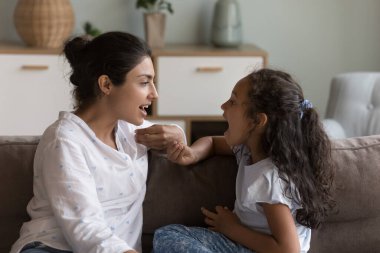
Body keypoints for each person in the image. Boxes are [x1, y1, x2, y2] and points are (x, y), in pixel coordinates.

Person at [10, 31, 185, 253]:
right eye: (144, 83)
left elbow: (171, 136)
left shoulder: (132, 133)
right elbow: (86, 229)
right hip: (52, 247)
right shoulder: (64, 140)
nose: (154, 94)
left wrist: (178, 134)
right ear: (106, 84)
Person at [153, 69, 336, 253]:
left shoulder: (269, 178)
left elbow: (289, 250)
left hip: (250, 247)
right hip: (240, 246)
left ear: (257, 121)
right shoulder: (247, 150)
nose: (223, 106)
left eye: (233, 101)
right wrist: (192, 153)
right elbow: (212, 142)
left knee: (166, 236)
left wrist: (231, 228)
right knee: (168, 236)